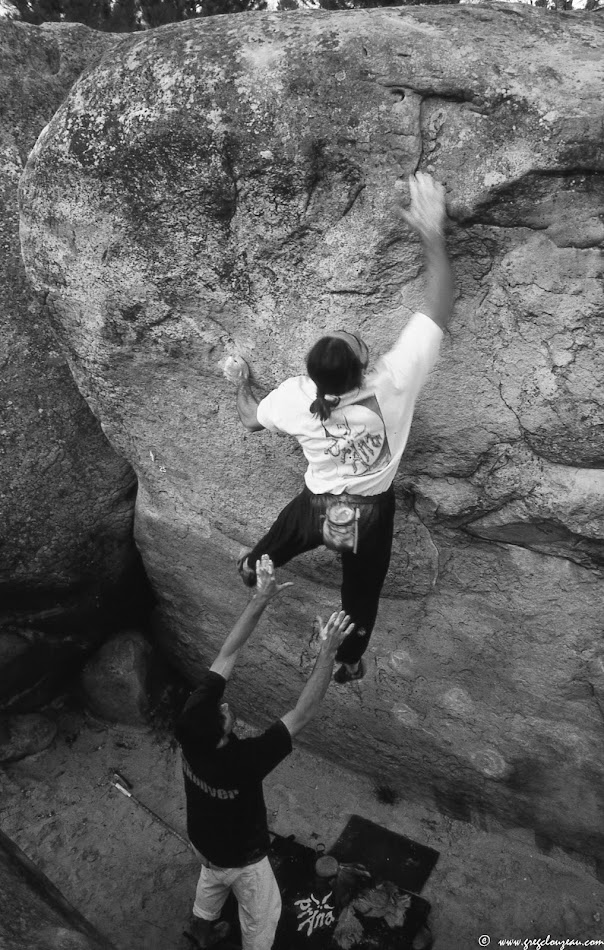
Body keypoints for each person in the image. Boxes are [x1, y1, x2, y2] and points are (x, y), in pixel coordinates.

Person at [224, 172, 454, 685]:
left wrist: (240, 381)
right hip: (371, 516)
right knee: (361, 594)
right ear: (363, 364)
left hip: (317, 505)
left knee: (278, 540)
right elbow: (439, 305)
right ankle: (348, 660)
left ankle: (252, 569)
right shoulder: (392, 382)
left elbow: (248, 418)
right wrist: (432, 231)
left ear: (314, 376)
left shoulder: (295, 398)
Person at [177, 554, 354, 950]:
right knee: (263, 915)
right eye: (223, 714)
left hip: (202, 841)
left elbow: (226, 655)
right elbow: (302, 714)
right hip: (242, 856)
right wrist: (328, 652)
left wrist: (261, 598)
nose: (224, 706)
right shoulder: (242, 764)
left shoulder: (191, 724)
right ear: (223, 737)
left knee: (210, 879)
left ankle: (200, 933)